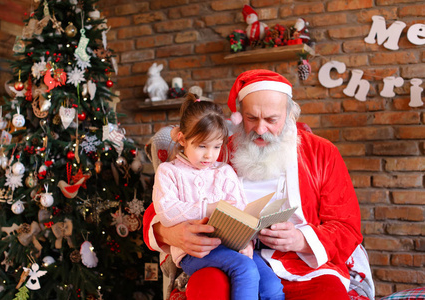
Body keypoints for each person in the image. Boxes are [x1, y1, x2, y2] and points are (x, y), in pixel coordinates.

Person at [144, 70, 374, 300]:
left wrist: (301, 239)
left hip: (304, 267)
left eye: (272, 120)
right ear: (239, 116)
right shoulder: (215, 150)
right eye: (251, 118)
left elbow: (347, 226)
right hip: (228, 258)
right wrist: (172, 234)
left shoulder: (322, 153)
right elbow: (159, 209)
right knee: (205, 288)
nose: (261, 129)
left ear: (289, 114)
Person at [152, 92, 285, 300]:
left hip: (231, 244)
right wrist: (209, 208)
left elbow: (240, 210)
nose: (209, 155)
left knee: (272, 287)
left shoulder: (223, 172)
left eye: (216, 147)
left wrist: (247, 241)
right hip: (193, 251)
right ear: (182, 139)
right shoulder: (169, 172)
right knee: (245, 270)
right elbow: (167, 212)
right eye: (201, 146)